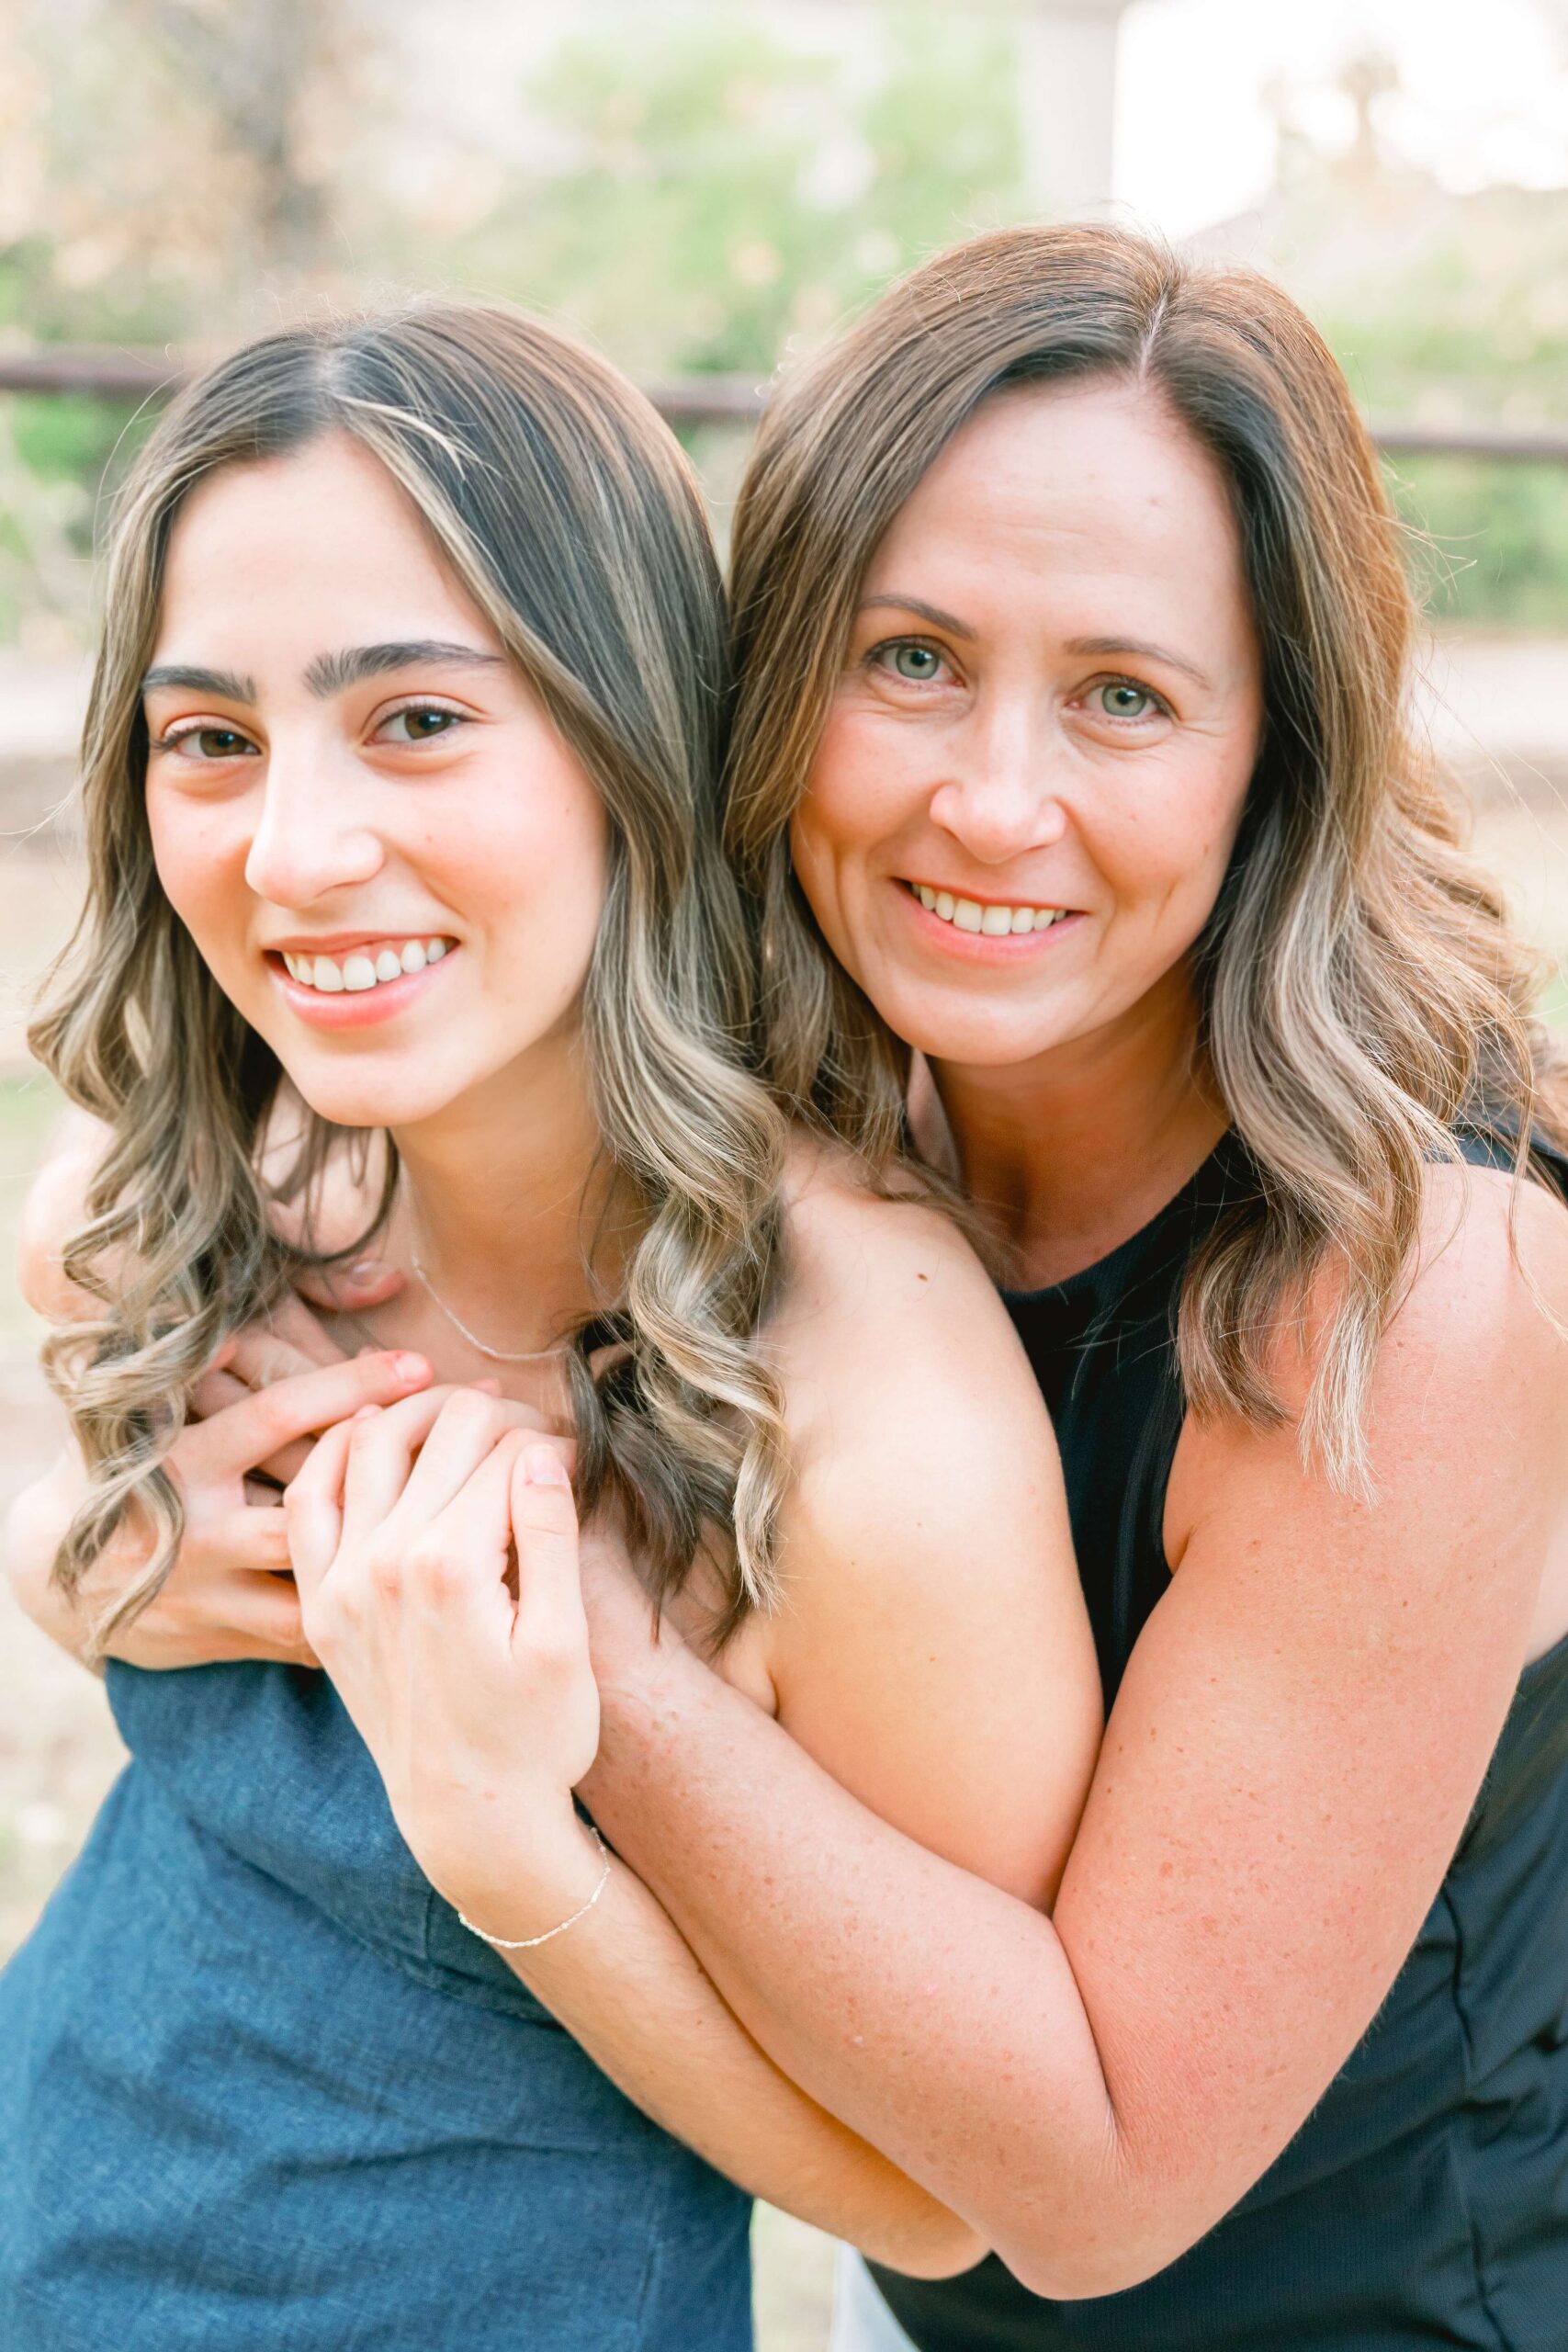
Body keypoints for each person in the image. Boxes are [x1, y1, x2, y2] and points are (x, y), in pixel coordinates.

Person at [261, 222, 1568, 2348]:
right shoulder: (801, 1100)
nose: (991, 798)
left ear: (1272, 761)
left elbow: (1097, 2175)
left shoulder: (1420, 1290)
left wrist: (581, 1635)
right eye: (908, 659)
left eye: (1123, 696)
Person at [0, 299, 1102, 2350]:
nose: (295, 849)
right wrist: (100, 1561)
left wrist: (510, 1835)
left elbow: (946, 2202)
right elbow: (79, 1491)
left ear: (626, 741)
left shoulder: (866, 1412)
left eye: (415, 719)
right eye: (210, 738)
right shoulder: (194, 1213)